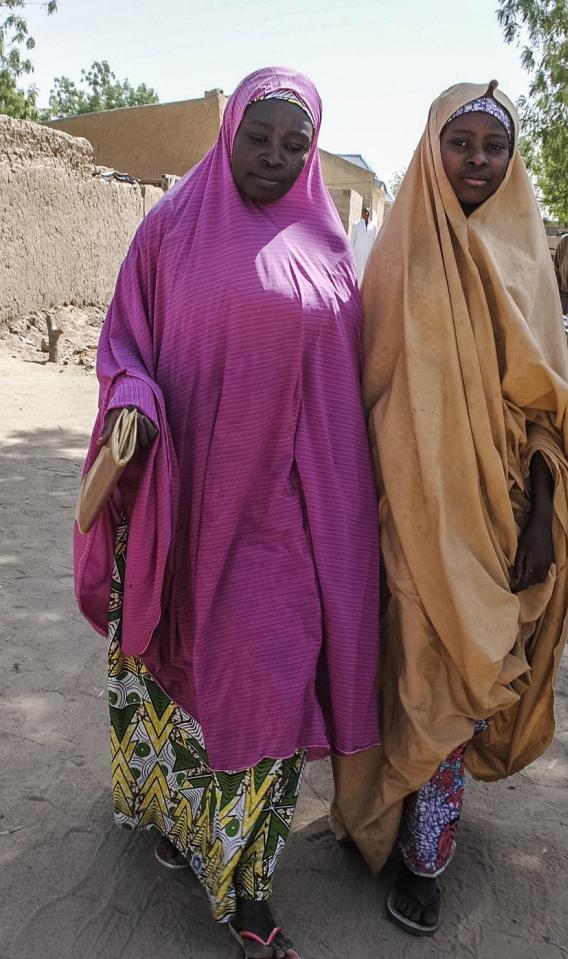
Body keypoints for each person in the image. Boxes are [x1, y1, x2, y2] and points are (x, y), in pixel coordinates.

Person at [74, 67, 380, 959]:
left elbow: (336, 409)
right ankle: (175, 817)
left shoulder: (326, 252)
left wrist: (336, 532)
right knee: (173, 669)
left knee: (264, 685)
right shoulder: (169, 229)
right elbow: (124, 338)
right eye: (261, 137)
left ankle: (247, 884)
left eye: (296, 144)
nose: (276, 159)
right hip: (177, 504)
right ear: (230, 130)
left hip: (274, 525)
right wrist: (131, 393)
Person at [332, 81, 568, 937]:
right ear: (431, 149)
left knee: (465, 675)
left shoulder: (525, 261)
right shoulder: (398, 253)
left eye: (492, 145)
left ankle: (425, 852)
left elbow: (552, 410)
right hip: (401, 509)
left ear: (513, 159)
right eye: (460, 141)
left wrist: (544, 514)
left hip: (498, 519)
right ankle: (376, 808)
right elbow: (362, 387)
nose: (477, 159)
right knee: (400, 671)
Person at [350, 206, 378, 283]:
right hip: (357, 254)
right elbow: (352, 241)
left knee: (366, 274)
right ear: (361, 213)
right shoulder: (356, 225)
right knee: (357, 273)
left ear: (369, 214)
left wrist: (374, 255)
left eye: (367, 212)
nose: (366, 214)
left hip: (368, 254)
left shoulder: (373, 226)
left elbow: (375, 241)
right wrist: (351, 255)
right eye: (364, 212)